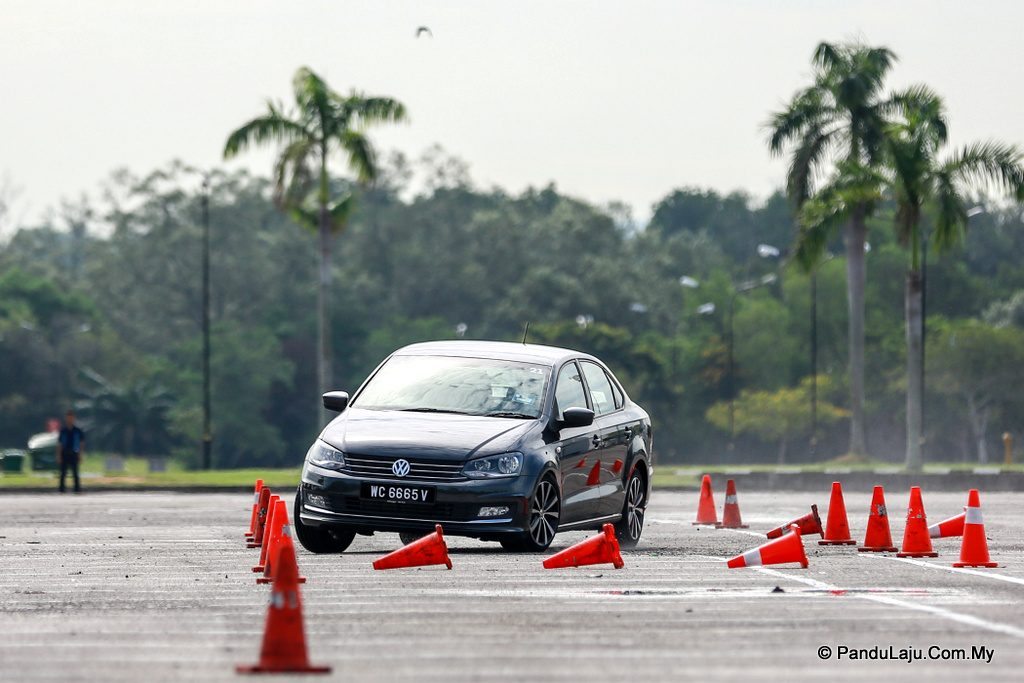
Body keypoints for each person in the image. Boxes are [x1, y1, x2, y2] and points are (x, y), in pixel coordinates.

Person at [57, 410, 85, 493]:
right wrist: (58, 455)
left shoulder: (78, 430)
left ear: (74, 418)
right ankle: (61, 490)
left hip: (74, 453)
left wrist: (81, 454)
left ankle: (77, 489)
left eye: (71, 417)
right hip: (64, 453)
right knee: (63, 473)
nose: (70, 419)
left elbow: (82, 443)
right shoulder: (63, 430)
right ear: (66, 418)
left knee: (75, 473)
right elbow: (59, 444)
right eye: (68, 417)